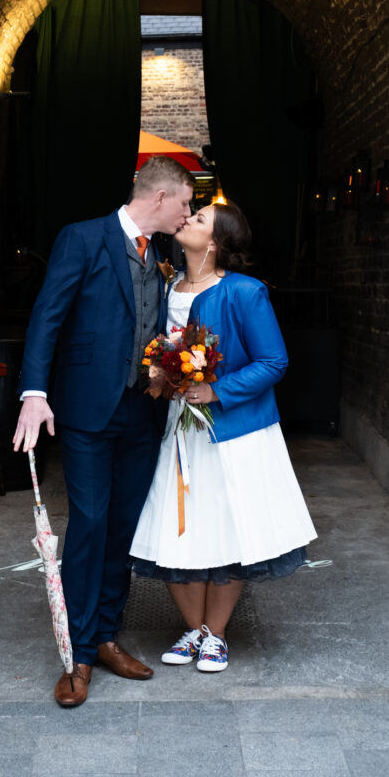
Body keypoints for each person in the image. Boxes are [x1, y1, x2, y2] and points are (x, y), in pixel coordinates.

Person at [12, 156, 195, 707]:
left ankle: (107, 636)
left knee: (123, 527)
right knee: (90, 522)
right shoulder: (83, 238)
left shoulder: (162, 255)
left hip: (143, 411)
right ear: (159, 198)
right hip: (89, 408)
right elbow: (48, 315)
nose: (188, 214)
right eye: (185, 203)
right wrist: (34, 393)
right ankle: (78, 655)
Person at [130, 199, 318, 672]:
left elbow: (274, 362)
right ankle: (194, 630)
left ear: (213, 243)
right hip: (174, 430)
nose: (188, 220)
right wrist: (159, 376)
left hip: (232, 432)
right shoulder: (166, 283)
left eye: (199, 219)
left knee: (227, 530)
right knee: (170, 528)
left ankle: (216, 634)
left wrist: (216, 390)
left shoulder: (245, 292)